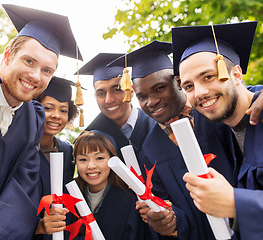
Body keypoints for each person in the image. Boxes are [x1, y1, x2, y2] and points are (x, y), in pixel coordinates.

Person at [108, 39, 263, 239]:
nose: (152, 101)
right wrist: (171, 222)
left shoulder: (215, 113)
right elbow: (172, 207)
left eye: (159, 88)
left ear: (177, 84)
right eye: (142, 96)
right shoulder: (150, 150)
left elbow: (241, 95)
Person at [0, 4, 82, 240]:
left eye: (47, 70)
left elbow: (23, 181)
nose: (35, 76)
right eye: (29, 61)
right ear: (7, 54)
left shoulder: (34, 117)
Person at [171, 21, 263, 239]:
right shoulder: (218, 132)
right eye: (188, 86)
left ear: (237, 75)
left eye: (208, 76)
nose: (200, 93)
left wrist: (235, 203)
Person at [81, 53, 155, 158]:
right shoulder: (91, 136)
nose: (108, 100)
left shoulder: (156, 125)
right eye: (101, 93)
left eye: (116, 90)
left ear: (131, 90)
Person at [33, 76, 79, 239]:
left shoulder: (67, 151)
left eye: (63, 110)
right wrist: (38, 226)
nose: (56, 115)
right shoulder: (22, 150)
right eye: (48, 108)